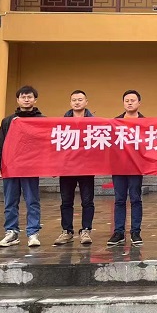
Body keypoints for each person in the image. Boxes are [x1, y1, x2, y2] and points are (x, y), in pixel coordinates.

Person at [0, 85, 45, 248]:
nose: (26, 99)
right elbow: (0, 143)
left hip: (30, 167)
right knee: (10, 201)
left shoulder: (42, 121)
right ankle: (11, 232)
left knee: (32, 200)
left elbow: (47, 144)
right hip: (10, 166)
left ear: (35, 100)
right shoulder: (8, 121)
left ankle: (33, 233)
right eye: (23, 97)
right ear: (18, 100)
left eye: (29, 97)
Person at [54, 90, 96, 246]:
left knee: (87, 201)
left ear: (86, 102)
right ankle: (67, 231)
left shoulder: (95, 122)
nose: (77, 102)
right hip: (67, 167)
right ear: (70, 102)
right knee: (66, 201)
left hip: (86, 167)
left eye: (80, 99)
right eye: (74, 100)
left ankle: (86, 230)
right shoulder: (62, 123)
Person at [107, 90, 145, 247]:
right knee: (119, 199)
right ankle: (119, 232)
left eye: (133, 100)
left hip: (136, 167)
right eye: (127, 100)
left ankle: (135, 232)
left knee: (135, 198)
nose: (129, 103)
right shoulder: (115, 122)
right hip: (119, 167)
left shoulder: (145, 123)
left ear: (139, 103)